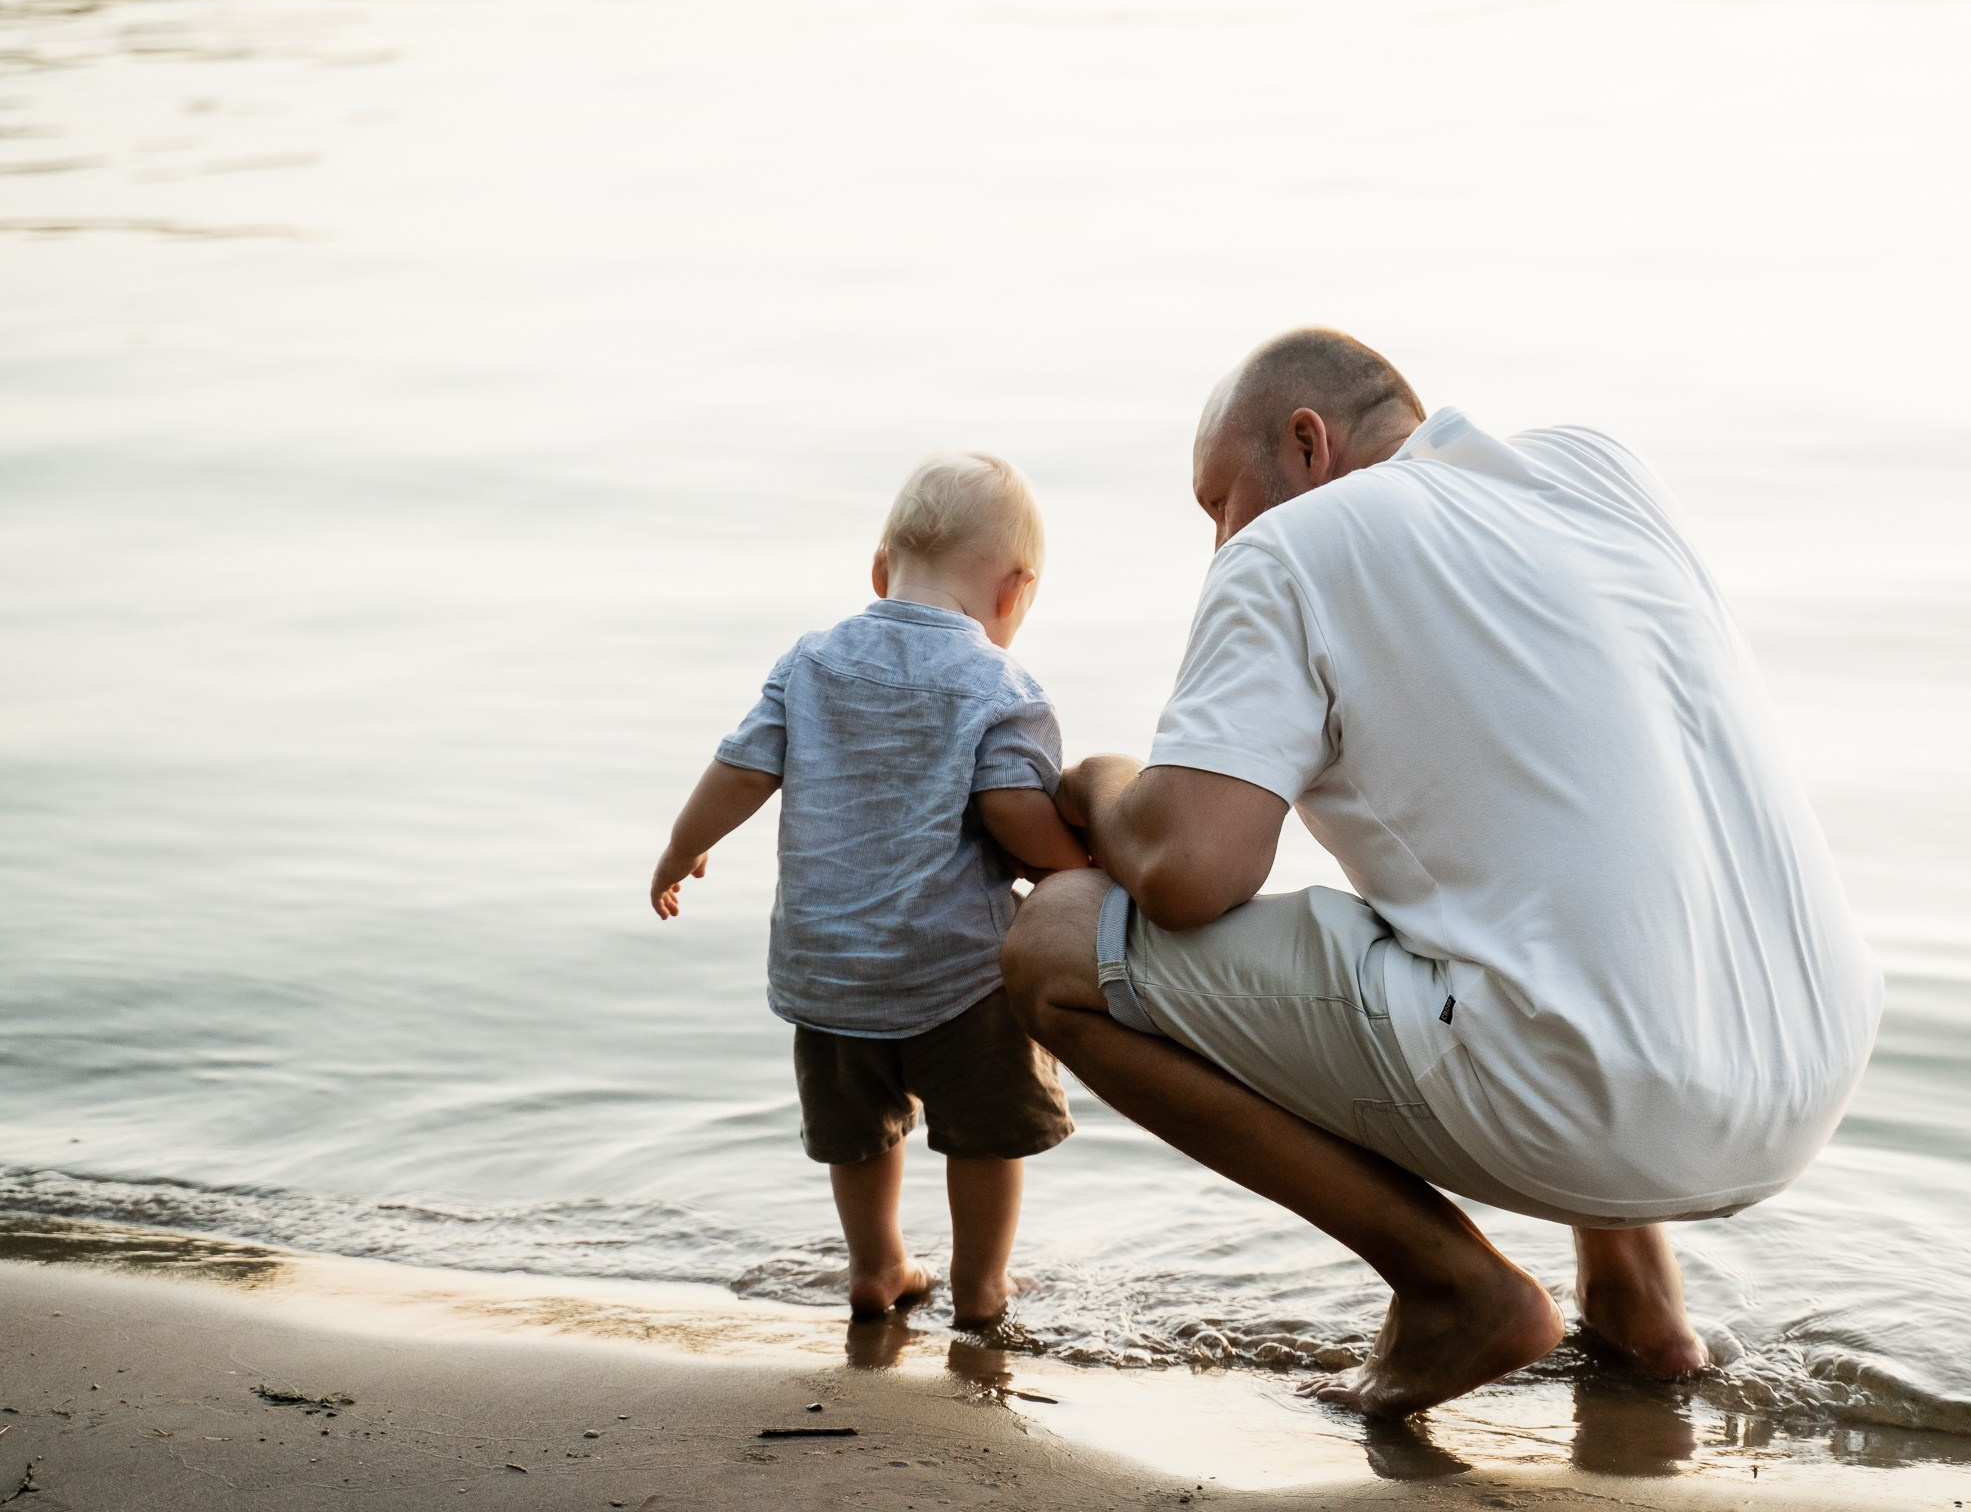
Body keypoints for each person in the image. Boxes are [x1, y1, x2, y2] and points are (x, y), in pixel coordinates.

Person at [1001, 329, 1883, 1415]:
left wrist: (1101, 786)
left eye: (1217, 502)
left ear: (1308, 445)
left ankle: (1453, 1288)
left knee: (1054, 941)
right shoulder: (1599, 470)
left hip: (1596, 1100)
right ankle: (1638, 1301)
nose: (1218, 539)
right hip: (1810, 1060)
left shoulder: (1289, 548)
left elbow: (1188, 871)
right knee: (1534, 862)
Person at [651, 452, 1088, 1326]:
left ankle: (877, 1267)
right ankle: (980, 1285)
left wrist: (681, 848)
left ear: (882, 569)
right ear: (1016, 593)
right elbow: (1012, 813)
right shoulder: (997, 683)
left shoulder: (812, 660)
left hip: (828, 971)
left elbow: (740, 769)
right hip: (954, 972)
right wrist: (1077, 870)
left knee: (858, 1129)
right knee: (988, 1131)